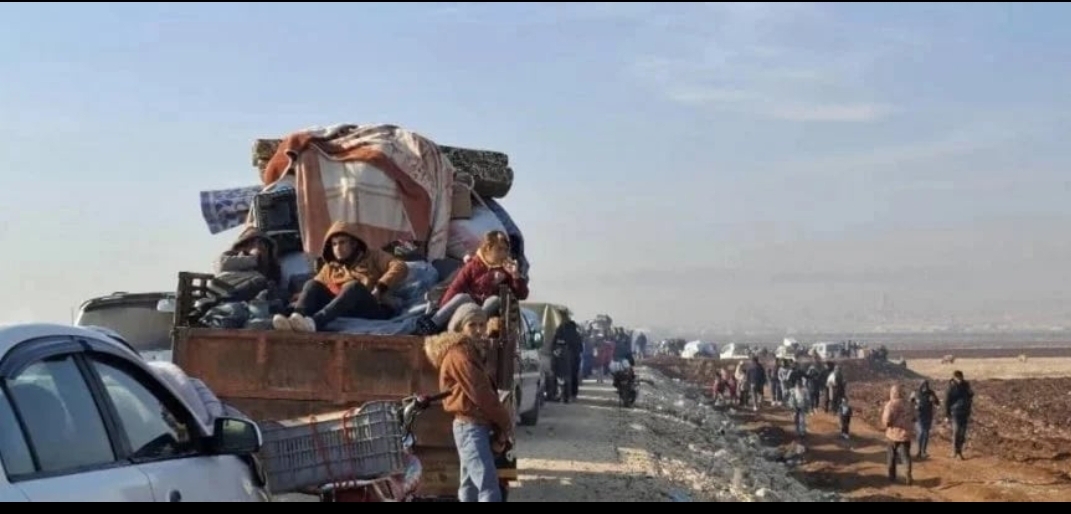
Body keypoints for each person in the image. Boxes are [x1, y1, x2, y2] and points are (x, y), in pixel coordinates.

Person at [424, 304, 512, 502]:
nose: (479, 330)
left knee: (470, 485)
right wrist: (505, 422)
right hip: (471, 427)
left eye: (482, 324)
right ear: (460, 328)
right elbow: (481, 394)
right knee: (488, 487)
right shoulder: (460, 355)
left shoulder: (469, 350)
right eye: (472, 325)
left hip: (471, 426)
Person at [274, 222, 408, 332]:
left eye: (342, 242)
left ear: (354, 244)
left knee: (353, 286)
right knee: (311, 284)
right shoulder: (331, 267)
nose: (337, 248)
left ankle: (314, 322)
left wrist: (380, 288)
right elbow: (314, 289)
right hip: (343, 309)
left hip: (372, 307)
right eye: (334, 244)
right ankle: (295, 319)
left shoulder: (373, 256)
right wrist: (295, 302)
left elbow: (400, 266)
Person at [424, 231, 530, 334]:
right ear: (488, 249)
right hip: (468, 306)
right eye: (499, 249)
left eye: (505, 250)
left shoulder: (506, 270)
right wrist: (443, 308)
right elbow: (456, 287)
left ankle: (475, 327)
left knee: (494, 300)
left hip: (485, 313)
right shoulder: (473, 265)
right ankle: (432, 324)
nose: (503, 253)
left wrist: (515, 275)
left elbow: (522, 295)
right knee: (462, 297)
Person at [882, 384, 915, 485]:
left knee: (891, 456)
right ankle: (908, 473)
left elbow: (886, 420)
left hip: (892, 435)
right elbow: (915, 417)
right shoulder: (909, 405)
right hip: (905, 435)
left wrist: (887, 425)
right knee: (906, 456)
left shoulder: (890, 404)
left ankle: (892, 476)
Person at [944, 370, 974, 460]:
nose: (959, 379)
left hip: (965, 412)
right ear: (954, 378)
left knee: (962, 434)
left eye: (960, 377)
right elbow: (947, 401)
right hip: (955, 412)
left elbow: (970, 395)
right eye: (958, 378)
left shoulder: (966, 385)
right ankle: (955, 452)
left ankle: (960, 452)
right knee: (956, 432)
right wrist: (947, 415)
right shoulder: (951, 387)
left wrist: (970, 394)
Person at [910, 380, 941, 459]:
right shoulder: (916, 393)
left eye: (927, 386)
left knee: (926, 433)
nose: (925, 387)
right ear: (921, 386)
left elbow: (937, 403)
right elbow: (910, 403)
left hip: (928, 415)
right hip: (918, 415)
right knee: (921, 432)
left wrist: (934, 400)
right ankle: (918, 451)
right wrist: (913, 407)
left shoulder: (931, 393)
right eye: (924, 386)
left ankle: (923, 451)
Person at [558, 315, 584, 400]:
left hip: (565, 359)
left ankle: (565, 394)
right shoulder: (577, 335)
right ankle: (573, 394)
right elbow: (581, 349)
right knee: (574, 377)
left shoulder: (563, 334)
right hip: (576, 359)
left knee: (565, 377)